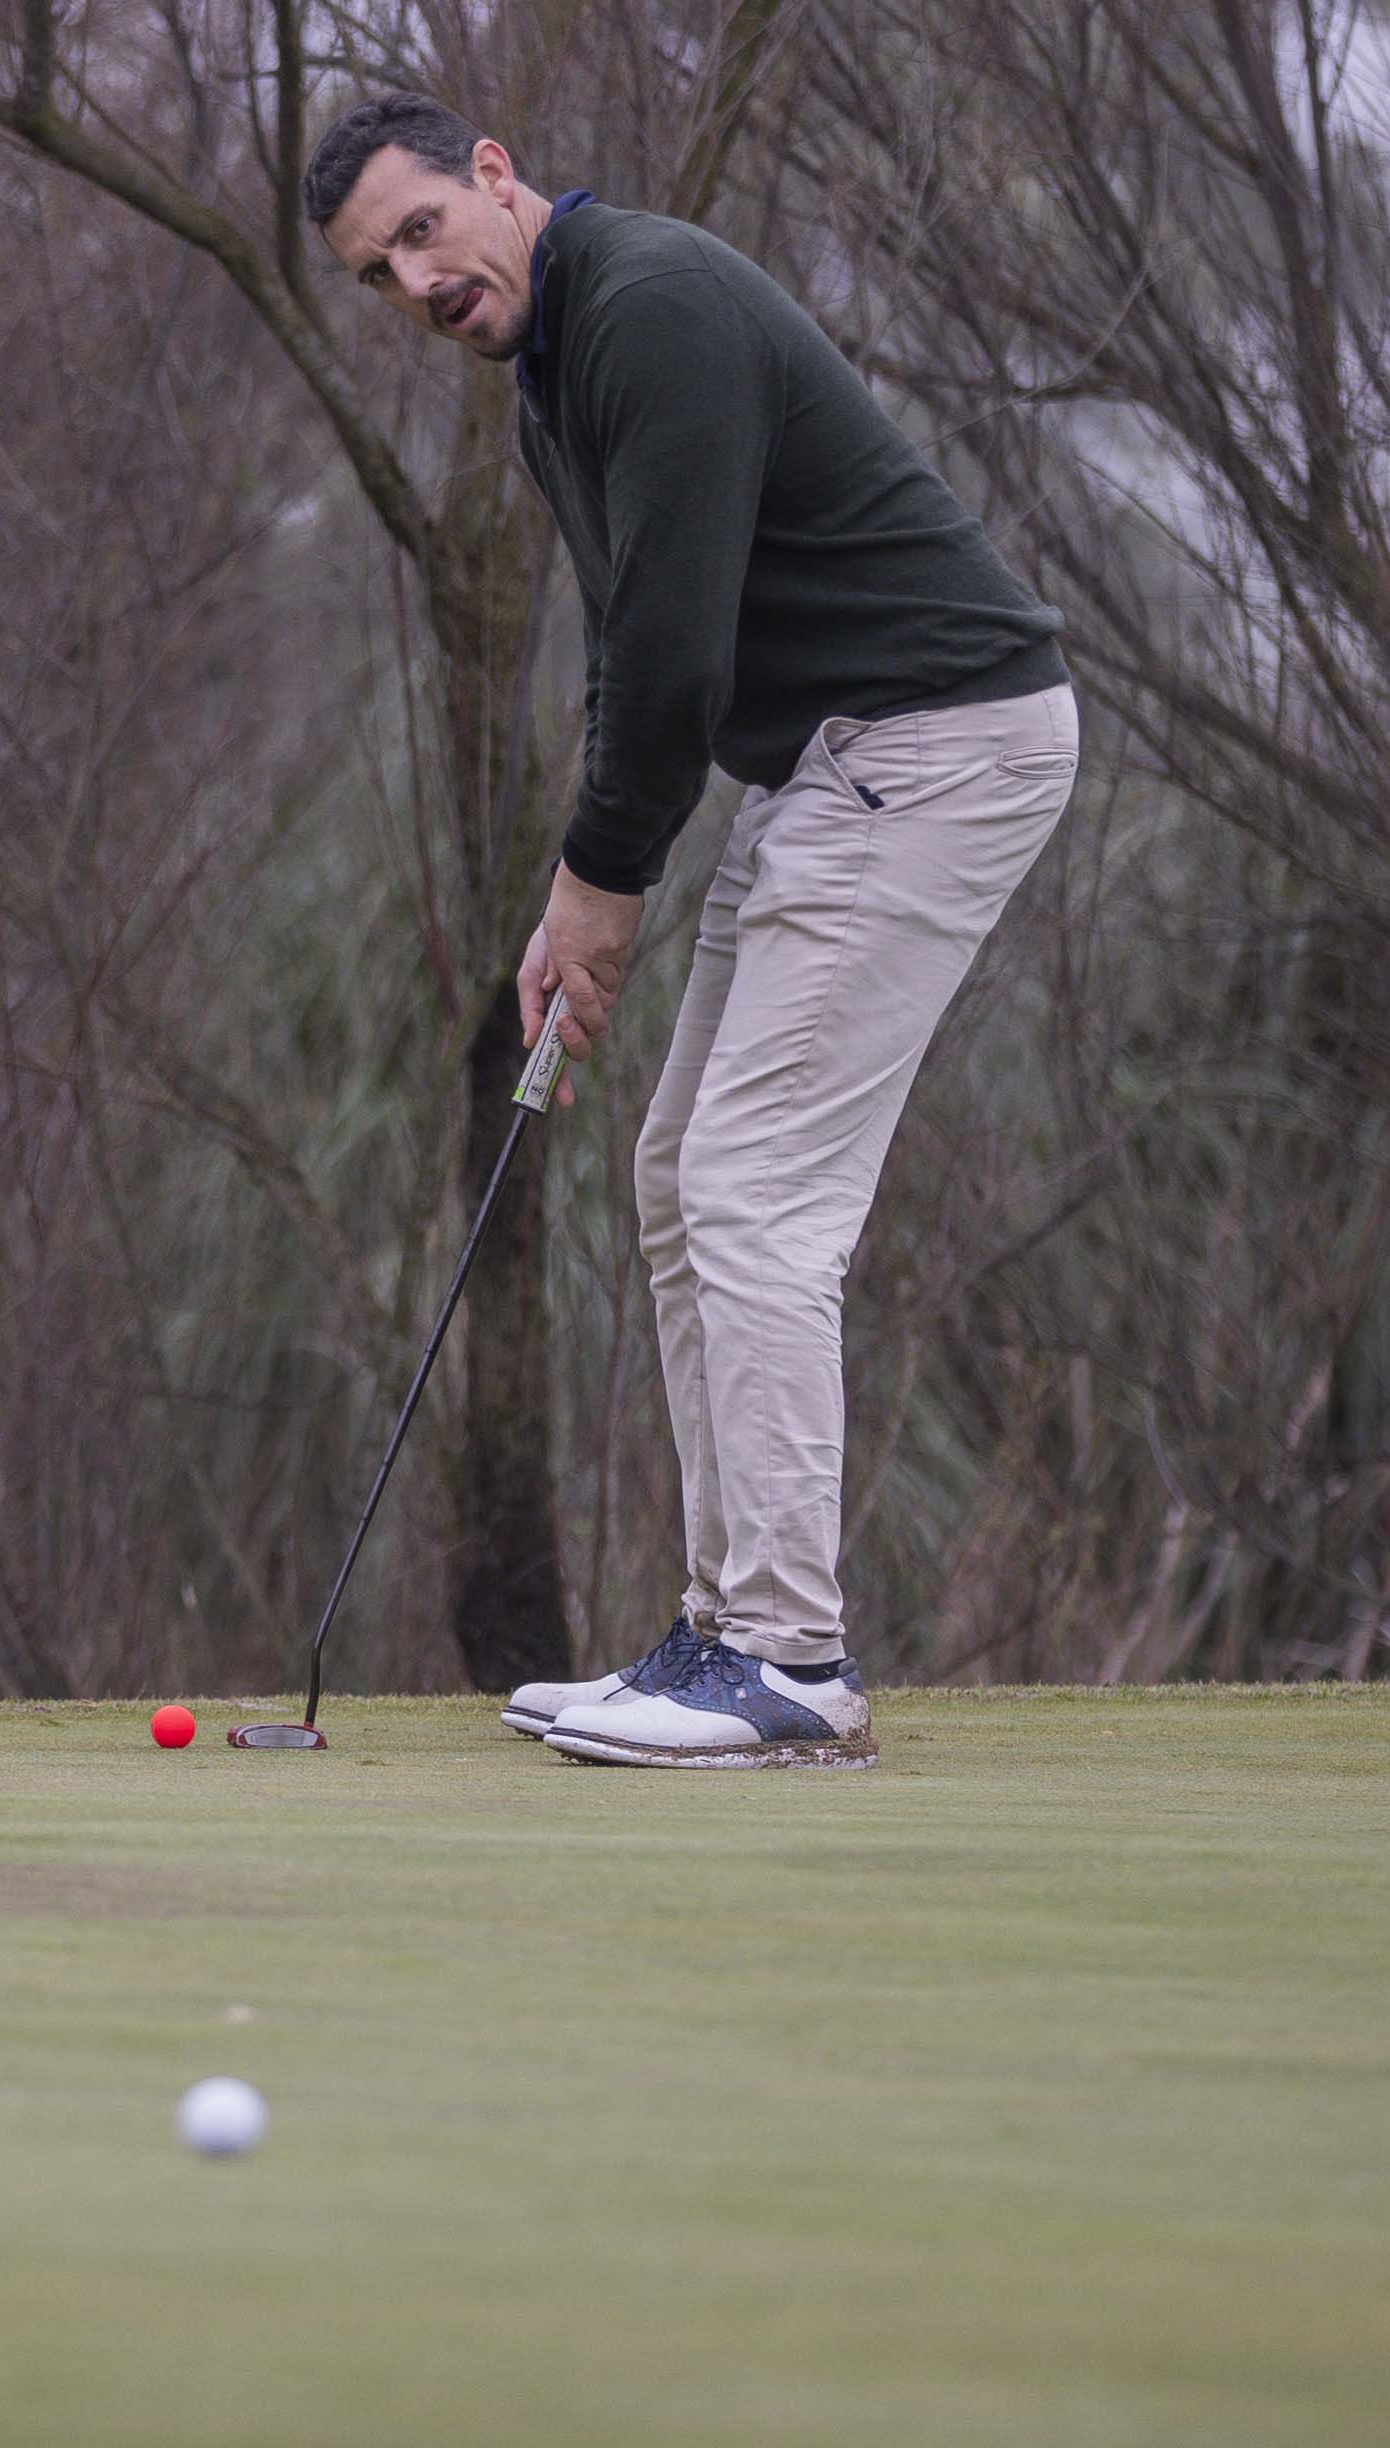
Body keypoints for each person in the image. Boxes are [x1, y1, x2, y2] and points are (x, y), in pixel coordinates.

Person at [309, 92, 1077, 1767]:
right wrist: (573, 893)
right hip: (834, 766)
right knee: (679, 1175)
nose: (417, 283)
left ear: (494, 174)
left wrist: (608, 880)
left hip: (935, 743)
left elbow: (674, 658)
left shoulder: (648, 308)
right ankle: (722, 1636)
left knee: (755, 1189)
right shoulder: (555, 374)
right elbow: (629, 657)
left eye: (423, 230)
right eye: (380, 274)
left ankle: (791, 1658)